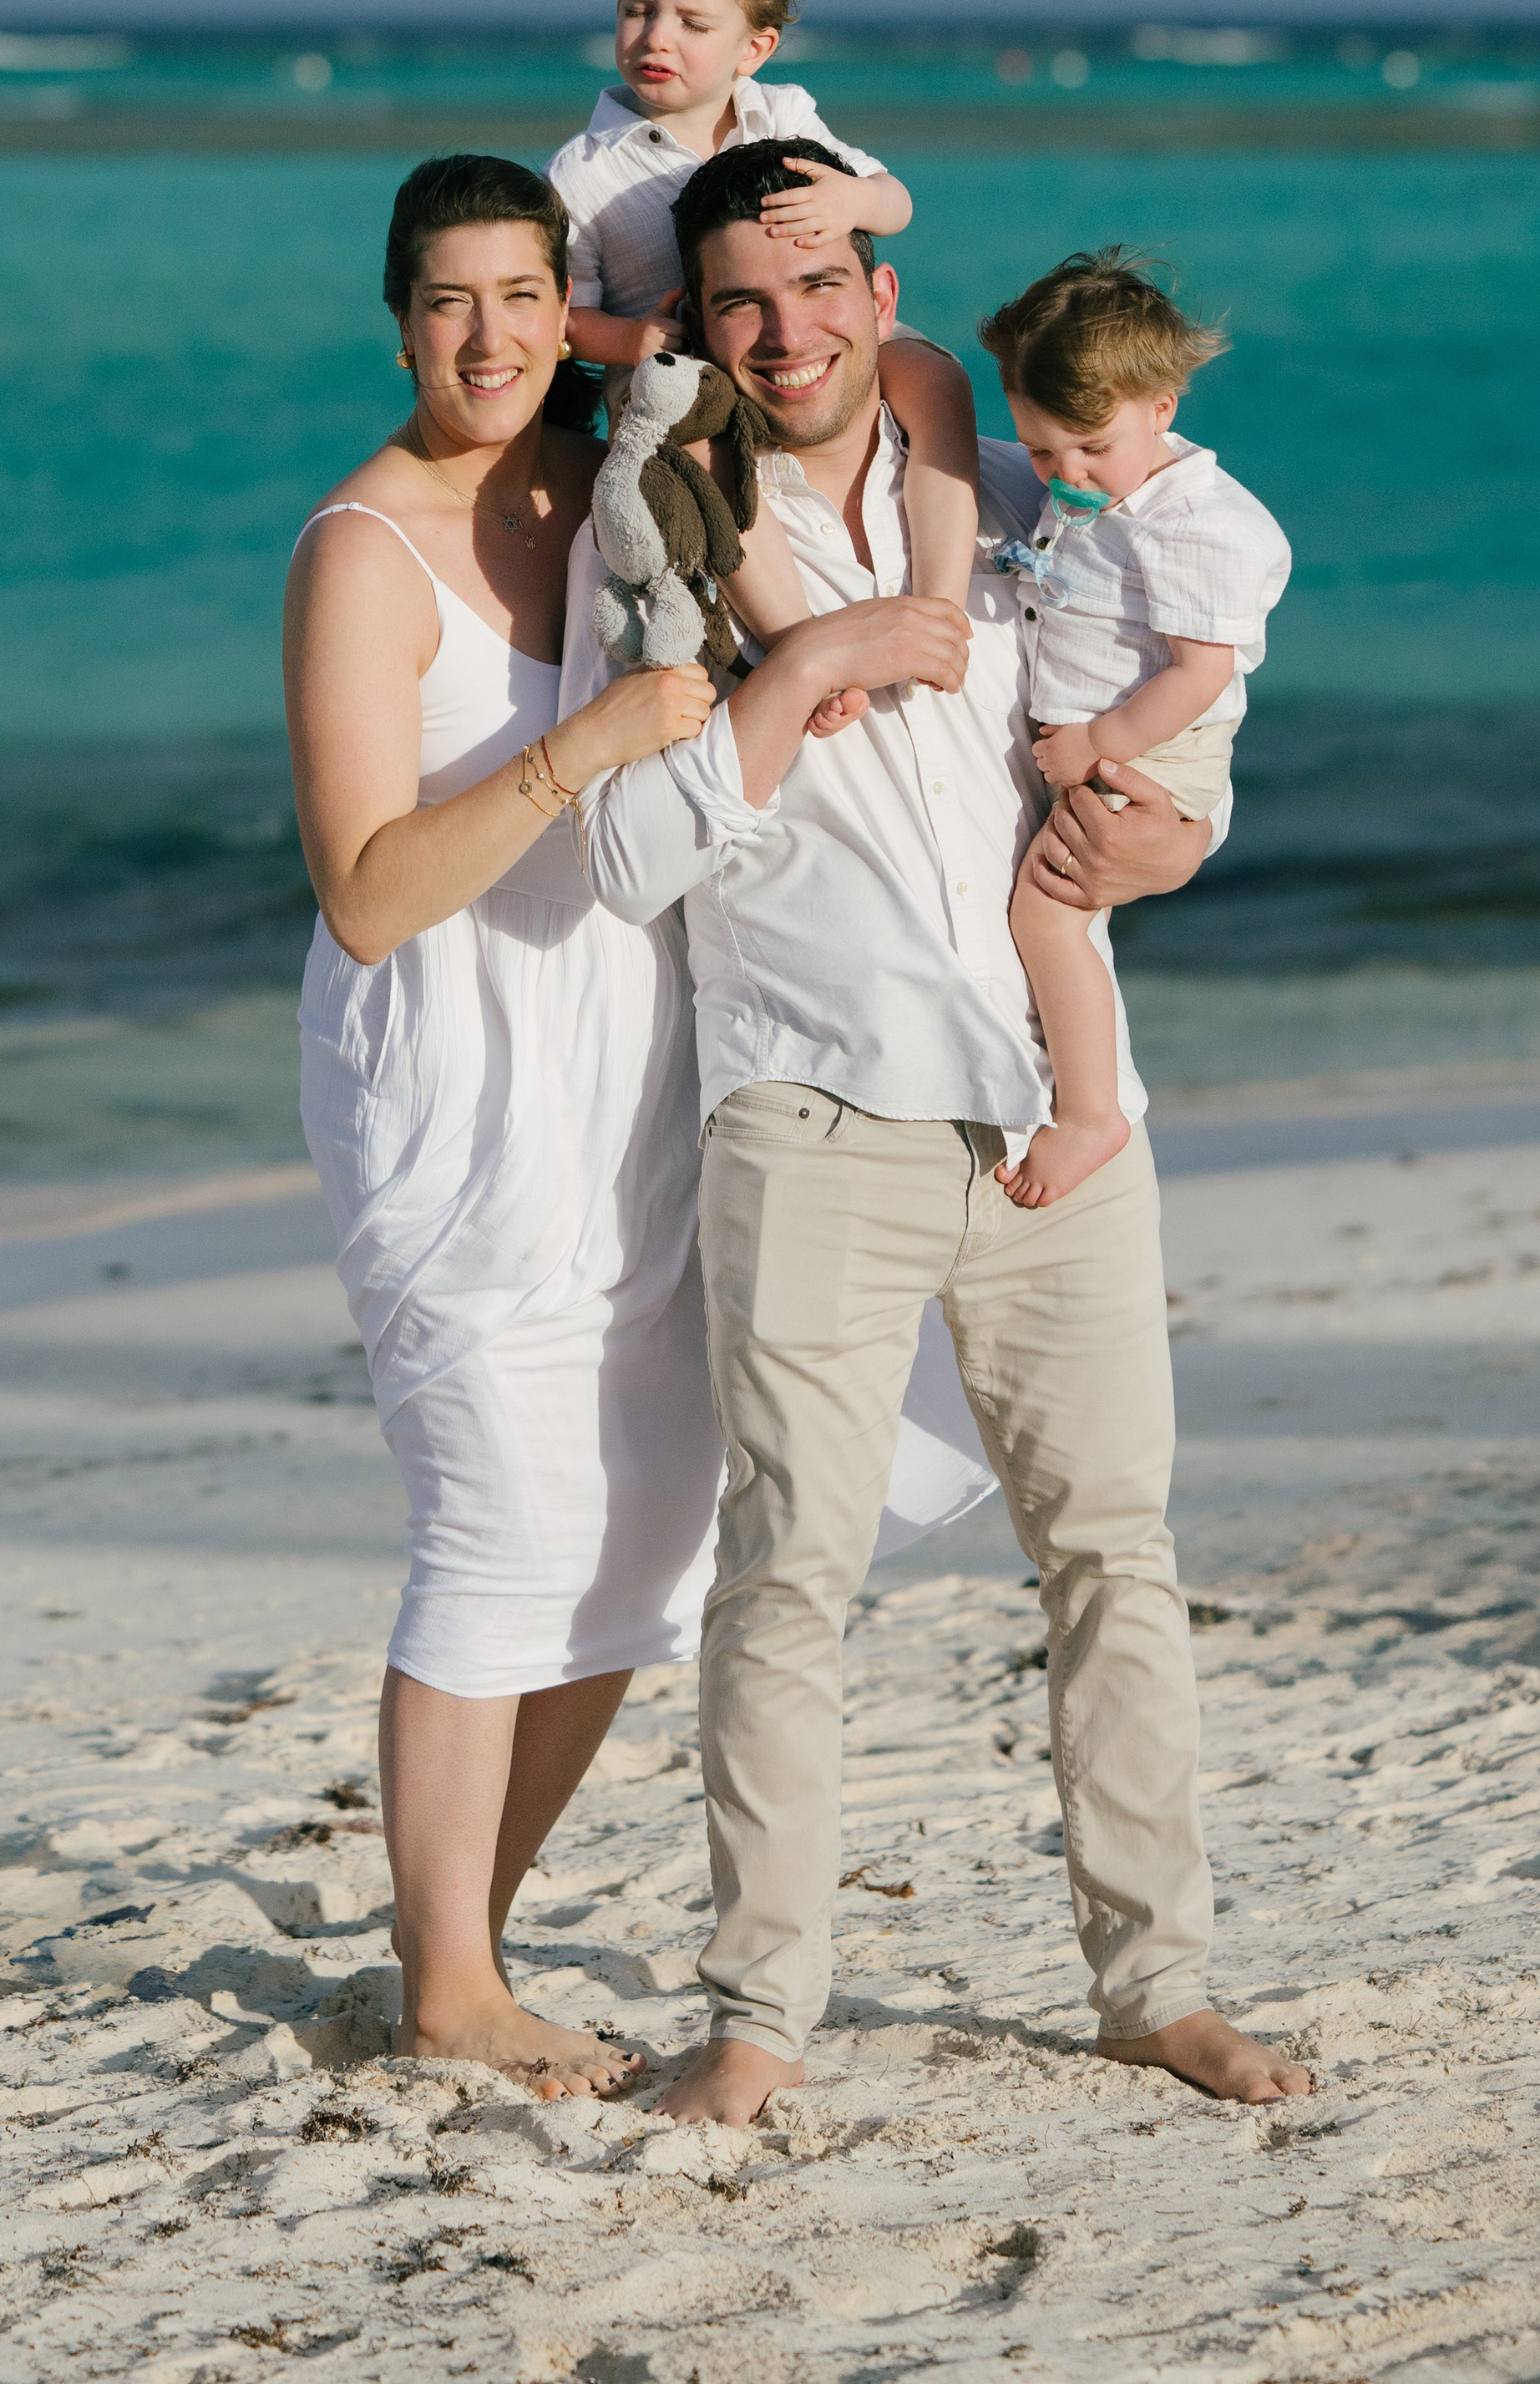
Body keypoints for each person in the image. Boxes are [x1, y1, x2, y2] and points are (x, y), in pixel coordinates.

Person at [565, 138, 1311, 2125]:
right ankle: (757, 2014)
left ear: (877, 302)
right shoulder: (655, 530)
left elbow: (1170, 756)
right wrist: (796, 663)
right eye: (741, 298)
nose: (786, 326)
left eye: (818, 286)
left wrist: (1161, 840)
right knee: (786, 1570)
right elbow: (627, 847)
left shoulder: (997, 483)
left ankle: (1153, 1983)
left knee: (1112, 1549)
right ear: (700, 329)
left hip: (1056, 1110)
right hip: (807, 1105)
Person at [285, 153, 724, 2102]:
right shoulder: (357, 551)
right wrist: (575, 748)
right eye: (450, 299)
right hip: (446, 1081)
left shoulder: (596, 477)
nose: (486, 336)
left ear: (571, 308)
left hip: (614, 1052)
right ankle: (445, 1980)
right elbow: (369, 890)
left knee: (642, 1526)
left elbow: (817, 351)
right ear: (398, 316)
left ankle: (465, 1923)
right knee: (488, 1520)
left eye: (520, 295)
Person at [548, 0, 981, 637]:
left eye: (692, 21)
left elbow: (898, 202)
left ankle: (942, 600)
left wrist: (852, 199)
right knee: (695, 434)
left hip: (786, 338)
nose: (656, 38)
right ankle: (789, 632)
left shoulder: (781, 114)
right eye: (638, 9)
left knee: (938, 378)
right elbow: (562, 316)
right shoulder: (586, 170)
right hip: (670, 369)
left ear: (755, 47)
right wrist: (630, 340)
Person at [980, 251, 1291, 1207]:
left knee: (1048, 912)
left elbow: (1200, 675)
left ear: (1162, 405)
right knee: (1054, 913)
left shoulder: (1193, 526)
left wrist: (1098, 742)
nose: (1065, 475)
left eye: (1086, 447)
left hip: (1154, 744)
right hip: (1114, 738)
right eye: (1039, 452)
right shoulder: (1109, 491)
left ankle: (1091, 1114)